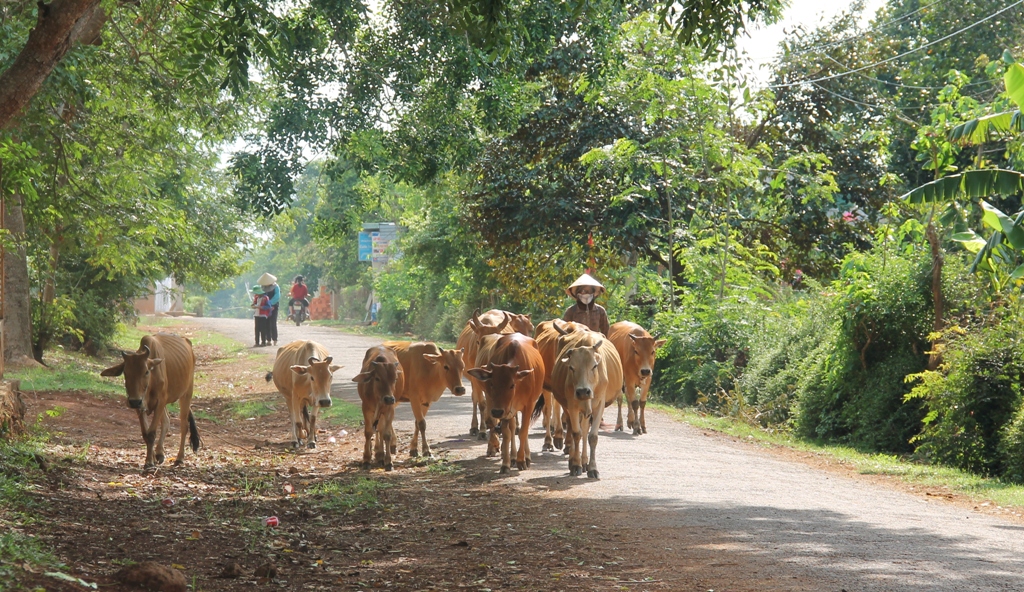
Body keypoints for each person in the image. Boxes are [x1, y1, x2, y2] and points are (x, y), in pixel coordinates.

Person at [258, 272, 281, 346]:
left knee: (273, 323)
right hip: (265, 308)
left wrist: (270, 304)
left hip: (274, 306)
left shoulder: (276, 287)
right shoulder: (262, 288)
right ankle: (268, 339)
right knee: (266, 323)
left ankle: (275, 339)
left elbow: (277, 297)